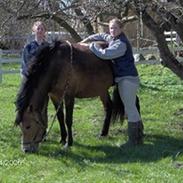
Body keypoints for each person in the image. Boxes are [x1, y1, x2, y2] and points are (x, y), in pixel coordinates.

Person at [81, 18, 144, 146]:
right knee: (129, 107)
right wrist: (88, 39)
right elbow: (102, 35)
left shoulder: (121, 44)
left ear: (121, 29)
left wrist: (93, 46)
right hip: (123, 78)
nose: (112, 30)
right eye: (111, 28)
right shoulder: (113, 38)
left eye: (115, 28)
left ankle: (134, 141)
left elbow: (105, 54)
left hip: (127, 79)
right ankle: (138, 135)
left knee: (130, 108)